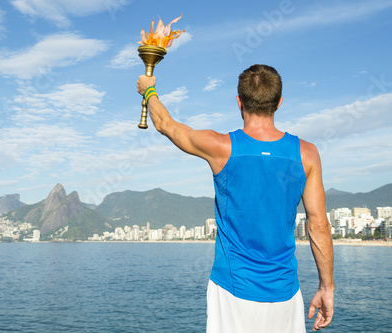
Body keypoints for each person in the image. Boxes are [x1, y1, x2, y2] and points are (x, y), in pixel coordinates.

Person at [137, 64, 334, 332]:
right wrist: (326, 287)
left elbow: (166, 125)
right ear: (279, 103)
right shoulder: (307, 154)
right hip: (285, 292)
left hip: (231, 290)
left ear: (239, 102)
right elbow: (318, 225)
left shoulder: (221, 148)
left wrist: (148, 89)